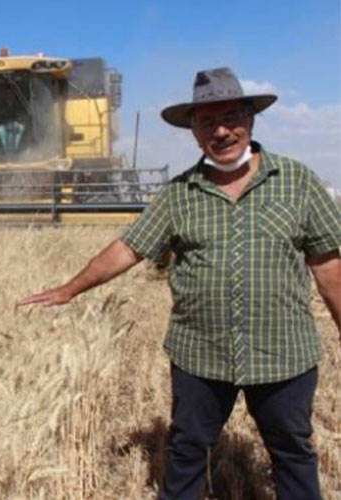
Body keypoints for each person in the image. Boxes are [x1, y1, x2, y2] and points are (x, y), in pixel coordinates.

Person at [19, 67, 341, 499]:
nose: (221, 130)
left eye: (231, 117)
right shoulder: (177, 194)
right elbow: (128, 249)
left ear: (250, 119)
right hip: (200, 355)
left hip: (283, 353)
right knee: (189, 449)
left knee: (292, 451)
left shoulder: (298, 183)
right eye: (207, 121)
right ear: (193, 130)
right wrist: (70, 288)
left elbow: (329, 268)